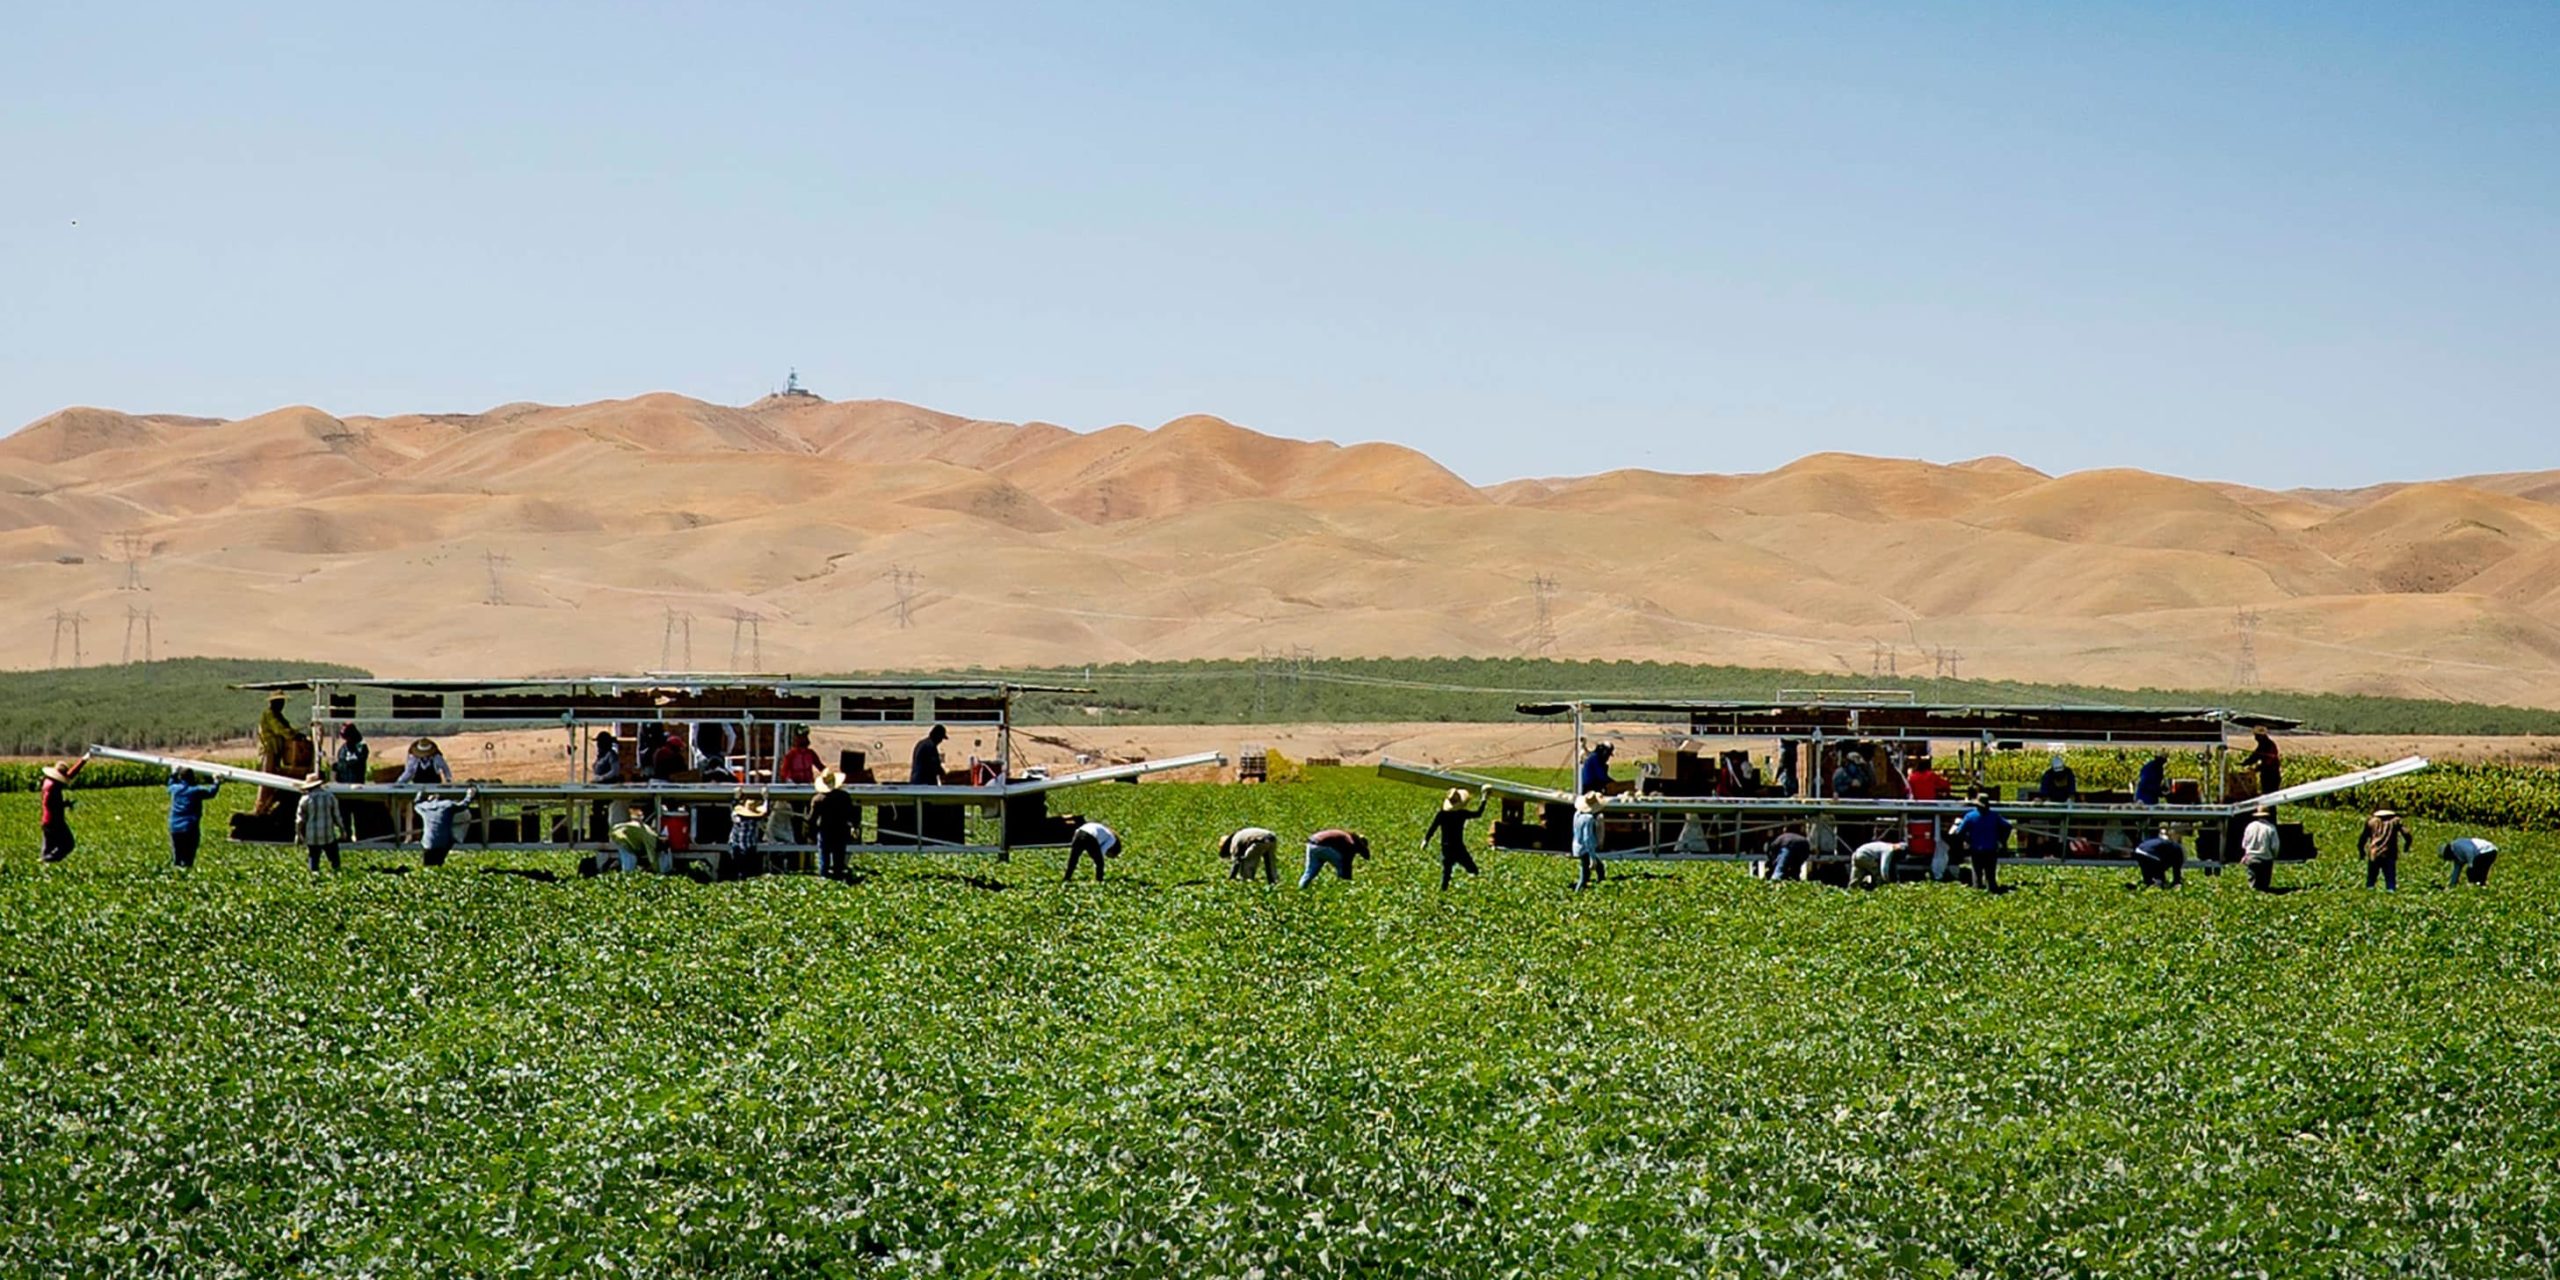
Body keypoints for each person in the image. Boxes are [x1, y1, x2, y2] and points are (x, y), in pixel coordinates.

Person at [1421, 788, 1486, 891]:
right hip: (1458, 846)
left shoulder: (1442, 814)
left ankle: (1444, 891)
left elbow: (1433, 828)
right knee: (1473, 870)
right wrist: (1484, 799)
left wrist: (1426, 840)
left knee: (1446, 873)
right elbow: (1478, 814)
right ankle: (1476, 889)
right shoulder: (1461, 814)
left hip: (1446, 846)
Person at [1948, 792, 2011, 892]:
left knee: (1977, 873)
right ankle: (1992, 889)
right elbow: (2008, 826)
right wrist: (2001, 840)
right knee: (1990, 875)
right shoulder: (1994, 816)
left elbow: (1959, 831)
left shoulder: (1970, 816)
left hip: (1976, 848)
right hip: (1991, 849)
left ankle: (1978, 890)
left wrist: (1967, 840)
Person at [36, 753, 92, 864]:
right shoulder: (52, 786)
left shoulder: (49, 781)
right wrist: (62, 805)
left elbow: (70, 775)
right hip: (55, 822)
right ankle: (48, 860)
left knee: (48, 848)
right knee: (68, 844)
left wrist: (83, 760)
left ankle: (44, 864)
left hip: (46, 821)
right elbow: (49, 803)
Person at [165, 768, 222, 870]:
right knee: (189, 857)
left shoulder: (175, 789)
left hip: (175, 827)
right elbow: (211, 792)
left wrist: (173, 773)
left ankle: (177, 875)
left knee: (177, 856)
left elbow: (170, 784)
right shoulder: (196, 791)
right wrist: (216, 781)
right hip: (189, 827)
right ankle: (187, 874)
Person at [412, 787, 479, 868]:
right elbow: (463, 805)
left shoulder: (424, 807)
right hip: (443, 843)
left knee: (429, 865)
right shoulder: (448, 805)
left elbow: (416, 803)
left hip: (428, 844)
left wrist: (420, 792)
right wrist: (469, 795)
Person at [1905, 755, 1950, 875]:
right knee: (1933, 832)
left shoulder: (1911, 777)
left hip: (1915, 808)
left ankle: (1915, 850)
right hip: (1930, 808)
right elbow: (1945, 785)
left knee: (1915, 832)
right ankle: (1929, 850)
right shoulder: (1930, 775)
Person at [810, 768, 857, 878]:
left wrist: (810, 833)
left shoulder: (818, 799)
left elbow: (812, 819)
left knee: (824, 857)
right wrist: (855, 825)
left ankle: (824, 876)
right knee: (839, 856)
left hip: (825, 831)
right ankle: (838, 875)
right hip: (841, 830)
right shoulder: (844, 796)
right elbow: (852, 813)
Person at [330, 725, 371, 841]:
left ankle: (361, 836)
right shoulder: (343, 748)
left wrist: (341, 765)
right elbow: (340, 763)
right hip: (343, 786)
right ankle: (346, 835)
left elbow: (357, 761)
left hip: (356, 786)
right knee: (344, 814)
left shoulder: (361, 747)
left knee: (358, 814)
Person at [294, 772, 341, 873]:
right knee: (334, 858)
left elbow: (299, 820)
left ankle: (314, 877)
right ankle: (337, 871)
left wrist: (298, 835)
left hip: (312, 836)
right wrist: (343, 830)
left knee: (313, 858)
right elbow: (337, 816)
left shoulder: (304, 799)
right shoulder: (330, 796)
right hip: (328, 835)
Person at [1299, 828, 1369, 888]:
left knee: (1310, 871)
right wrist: (1348, 878)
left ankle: (1301, 888)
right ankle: (1342, 887)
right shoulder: (1351, 843)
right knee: (1342, 866)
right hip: (1323, 846)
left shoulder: (1345, 836)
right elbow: (1347, 862)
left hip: (1311, 844)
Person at [2362, 808, 2411, 891]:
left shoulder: (2371, 821)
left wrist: (2361, 850)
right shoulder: (2396, 821)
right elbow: (2407, 834)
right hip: (2389, 854)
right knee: (2390, 881)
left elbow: (2363, 837)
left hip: (2375, 853)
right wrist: (2407, 846)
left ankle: (2370, 894)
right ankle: (2390, 894)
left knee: (2371, 880)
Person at [2238, 806, 2282, 893]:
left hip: (2251, 858)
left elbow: (2244, 844)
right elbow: (2275, 846)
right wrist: (2274, 855)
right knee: (2264, 886)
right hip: (2265, 860)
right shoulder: (2270, 828)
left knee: (2253, 886)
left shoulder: (2249, 826)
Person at [728, 791, 770, 877]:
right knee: (749, 873)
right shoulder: (753, 820)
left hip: (736, 848)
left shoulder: (737, 817)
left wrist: (736, 797)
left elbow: (733, 807)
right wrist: (766, 798)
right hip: (748, 850)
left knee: (739, 872)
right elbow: (765, 812)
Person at [1572, 792, 1608, 890]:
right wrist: (1592, 857)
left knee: (1595, 868)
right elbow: (1587, 838)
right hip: (1585, 849)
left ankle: (1599, 883)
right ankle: (1579, 891)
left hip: (1577, 846)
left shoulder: (1577, 814)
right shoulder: (1589, 819)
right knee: (1586, 872)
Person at [1064, 817, 1119, 882]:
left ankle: (1067, 878)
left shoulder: (1103, 830)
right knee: (1100, 863)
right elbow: (1102, 850)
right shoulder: (1112, 838)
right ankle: (1099, 880)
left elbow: (1077, 831)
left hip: (1078, 834)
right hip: (1090, 836)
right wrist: (1097, 859)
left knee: (1073, 859)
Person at [2238, 729, 2283, 797]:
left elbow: (2268, 762)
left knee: (2271, 796)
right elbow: (2255, 756)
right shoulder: (2262, 745)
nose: (2255, 738)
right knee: (2266, 795)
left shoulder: (2269, 745)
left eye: (2257, 736)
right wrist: (2245, 763)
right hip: (2266, 774)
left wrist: (2256, 769)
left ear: (2261, 736)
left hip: (2272, 774)